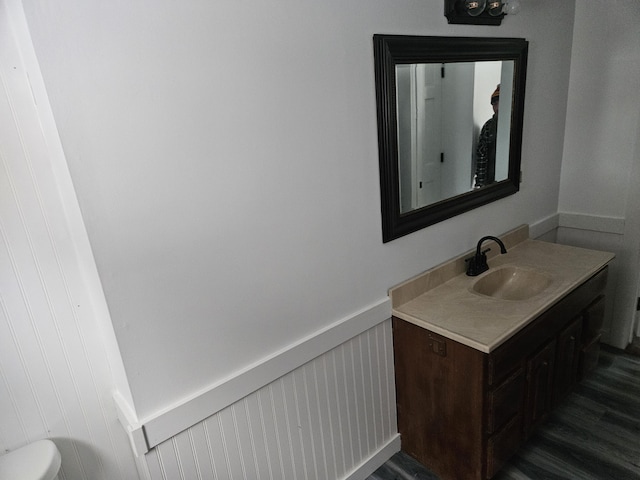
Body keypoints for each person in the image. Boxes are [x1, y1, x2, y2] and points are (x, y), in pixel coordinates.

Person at [474, 84, 500, 188]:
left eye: (500, 102)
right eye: (494, 104)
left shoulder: (517, 124)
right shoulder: (488, 127)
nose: (497, 108)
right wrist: (479, 183)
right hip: (490, 182)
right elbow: (481, 155)